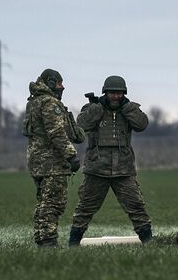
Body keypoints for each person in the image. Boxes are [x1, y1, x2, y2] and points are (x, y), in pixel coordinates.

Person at [70, 75, 151, 245]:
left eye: (119, 93)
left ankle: (148, 241)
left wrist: (128, 108)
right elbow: (81, 125)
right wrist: (96, 108)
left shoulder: (129, 110)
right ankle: (73, 244)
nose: (115, 96)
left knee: (136, 207)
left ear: (124, 93)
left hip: (124, 169)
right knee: (85, 208)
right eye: (112, 93)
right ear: (105, 93)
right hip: (97, 168)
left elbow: (142, 125)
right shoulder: (92, 108)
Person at [25, 68, 84, 248]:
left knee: (44, 202)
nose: (62, 87)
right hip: (52, 163)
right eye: (59, 83)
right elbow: (56, 133)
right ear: (50, 83)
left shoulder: (34, 102)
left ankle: (43, 239)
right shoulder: (50, 103)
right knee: (53, 203)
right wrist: (71, 155)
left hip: (37, 162)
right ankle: (49, 242)